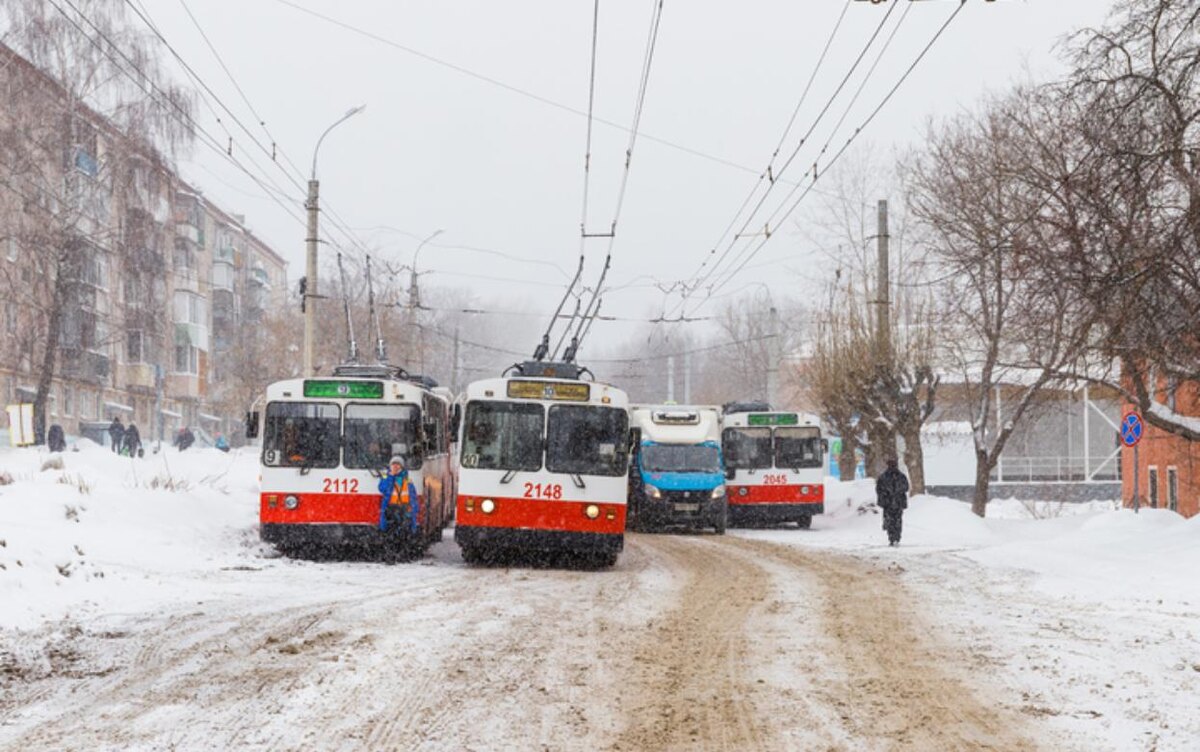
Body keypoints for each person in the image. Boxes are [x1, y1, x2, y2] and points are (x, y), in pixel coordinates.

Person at [378, 456, 419, 534]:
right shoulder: (386, 477)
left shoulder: (407, 480)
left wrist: (413, 512)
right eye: (393, 464)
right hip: (390, 511)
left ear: (402, 467)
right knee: (390, 534)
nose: (395, 467)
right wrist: (391, 477)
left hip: (404, 512)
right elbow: (383, 488)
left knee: (403, 535)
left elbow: (413, 497)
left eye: (398, 464)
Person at [876, 458, 910, 547]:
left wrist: (886, 495)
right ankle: (896, 538)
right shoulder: (901, 476)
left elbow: (879, 489)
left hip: (889, 503)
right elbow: (906, 487)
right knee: (896, 520)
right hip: (895, 502)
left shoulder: (883, 477)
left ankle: (892, 538)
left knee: (891, 520)